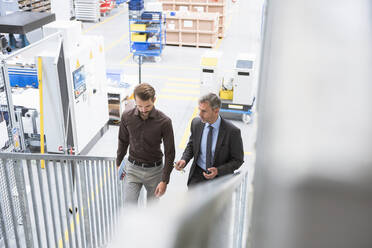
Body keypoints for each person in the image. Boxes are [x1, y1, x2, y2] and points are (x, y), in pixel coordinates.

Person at [116, 83, 175, 205]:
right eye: (140, 106)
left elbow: (170, 152)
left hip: (155, 171)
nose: (143, 110)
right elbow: (123, 141)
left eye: (147, 106)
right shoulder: (127, 116)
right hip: (132, 169)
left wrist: (165, 180)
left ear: (154, 100)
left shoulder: (165, 121)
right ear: (135, 101)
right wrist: (118, 163)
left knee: (151, 213)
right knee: (129, 209)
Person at [175, 93, 244, 186]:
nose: (199, 114)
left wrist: (218, 171)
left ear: (216, 111)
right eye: (199, 110)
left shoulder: (232, 132)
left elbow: (238, 160)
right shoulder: (196, 123)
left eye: (204, 111)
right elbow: (192, 145)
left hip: (220, 180)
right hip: (197, 176)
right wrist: (184, 159)